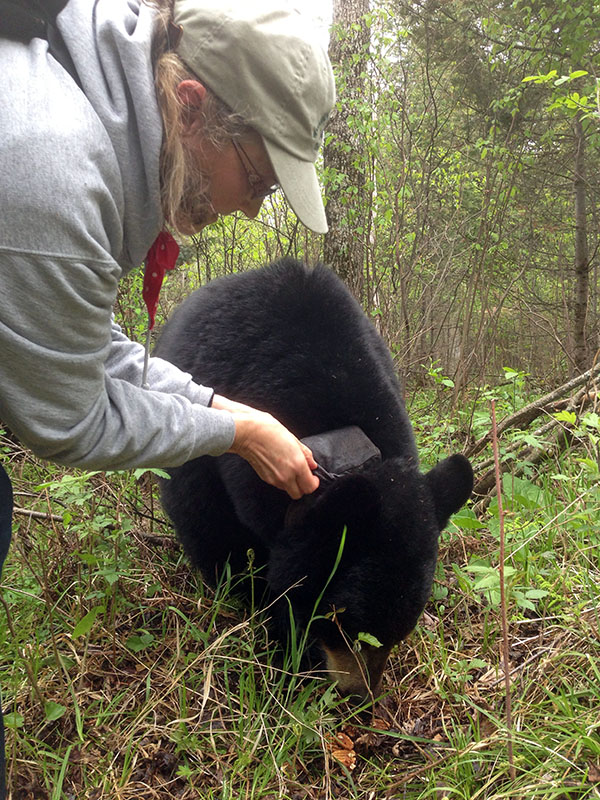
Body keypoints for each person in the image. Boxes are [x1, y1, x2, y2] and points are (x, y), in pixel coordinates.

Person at [0, 0, 336, 793]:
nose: (253, 208)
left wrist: (226, 409)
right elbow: (67, 415)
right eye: (256, 177)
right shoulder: (50, 167)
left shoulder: (87, 116)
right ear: (190, 108)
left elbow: (84, 343)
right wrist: (231, 438)